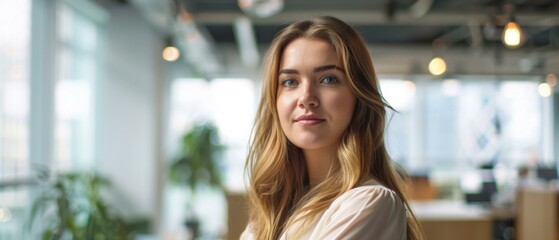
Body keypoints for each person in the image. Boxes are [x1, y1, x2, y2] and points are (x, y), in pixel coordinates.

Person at [241, 16, 424, 240]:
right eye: (290, 82)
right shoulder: (270, 214)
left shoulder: (370, 202)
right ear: (274, 99)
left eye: (328, 79)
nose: (306, 98)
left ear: (359, 95)